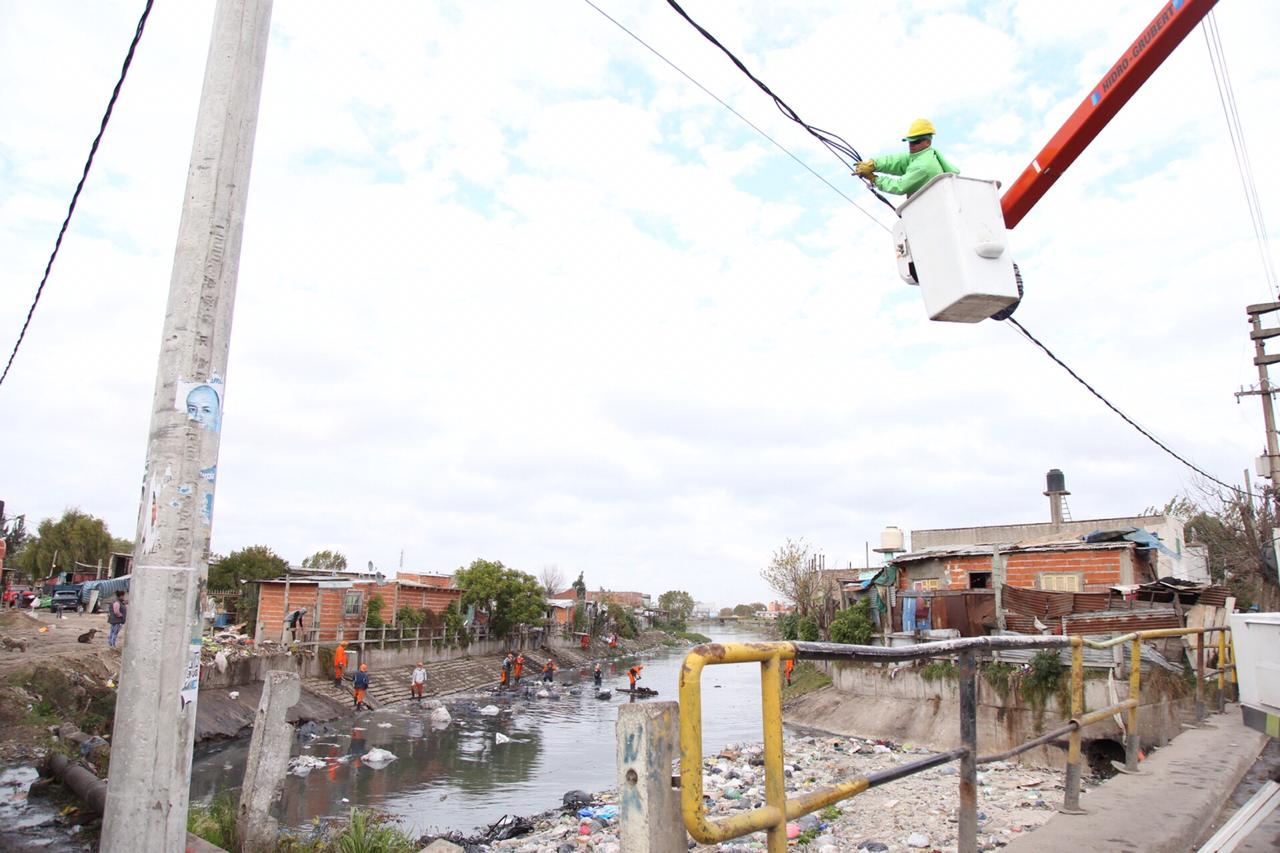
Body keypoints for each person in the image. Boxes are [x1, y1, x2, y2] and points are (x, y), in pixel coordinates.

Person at [854, 118, 959, 198]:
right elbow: (897, 162)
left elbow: (900, 186)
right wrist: (873, 164)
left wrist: (874, 179)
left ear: (928, 142)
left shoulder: (924, 165)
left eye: (916, 141)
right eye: (910, 141)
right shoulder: (922, 155)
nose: (911, 145)